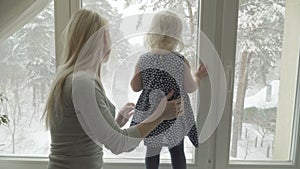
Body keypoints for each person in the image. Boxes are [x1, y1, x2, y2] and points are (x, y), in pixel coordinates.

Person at [43, 9, 182, 169]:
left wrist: (116, 123)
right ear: (99, 40)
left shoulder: (75, 78)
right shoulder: (82, 83)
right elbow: (119, 144)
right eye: (107, 33)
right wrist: (160, 115)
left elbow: (84, 137)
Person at [130, 10, 207, 169]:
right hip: (175, 115)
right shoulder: (180, 60)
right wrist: (197, 76)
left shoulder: (144, 59)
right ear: (177, 35)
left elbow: (135, 87)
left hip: (152, 116)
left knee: (152, 152)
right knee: (177, 151)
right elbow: (191, 88)